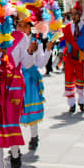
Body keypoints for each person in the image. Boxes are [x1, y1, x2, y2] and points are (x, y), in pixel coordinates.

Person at [0, 18, 32, 168]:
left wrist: (30, 52)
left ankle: (15, 154)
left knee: (11, 121)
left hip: (13, 84)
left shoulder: (20, 37)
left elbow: (28, 63)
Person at [17, 17, 53, 152]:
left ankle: (34, 136)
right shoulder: (12, 41)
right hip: (15, 79)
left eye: (22, 25)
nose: (19, 28)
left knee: (32, 109)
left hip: (30, 80)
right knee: (15, 110)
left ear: (28, 27)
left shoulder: (36, 42)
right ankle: (15, 143)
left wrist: (48, 50)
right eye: (18, 25)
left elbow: (40, 63)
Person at [60, 2, 84, 113]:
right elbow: (62, 40)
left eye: (75, 14)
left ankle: (81, 102)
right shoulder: (66, 27)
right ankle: (71, 103)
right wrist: (61, 51)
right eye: (72, 14)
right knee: (69, 79)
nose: (73, 16)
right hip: (69, 56)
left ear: (80, 15)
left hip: (80, 57)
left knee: (80, 79)